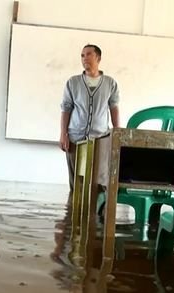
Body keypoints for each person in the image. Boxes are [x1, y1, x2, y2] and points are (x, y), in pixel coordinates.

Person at [59, 44, 120, 193]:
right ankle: (74, 214)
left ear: (98, 58)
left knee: (100, 183)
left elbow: (114, 108)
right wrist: (63, 134)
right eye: (82, 55)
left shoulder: (110, 83)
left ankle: (96, 215)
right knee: (76, 184)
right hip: (75, 138)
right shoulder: (72, 82)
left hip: (101, 138)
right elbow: (66, 109)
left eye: (88, 54)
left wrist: (118, 134)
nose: (84, 58)